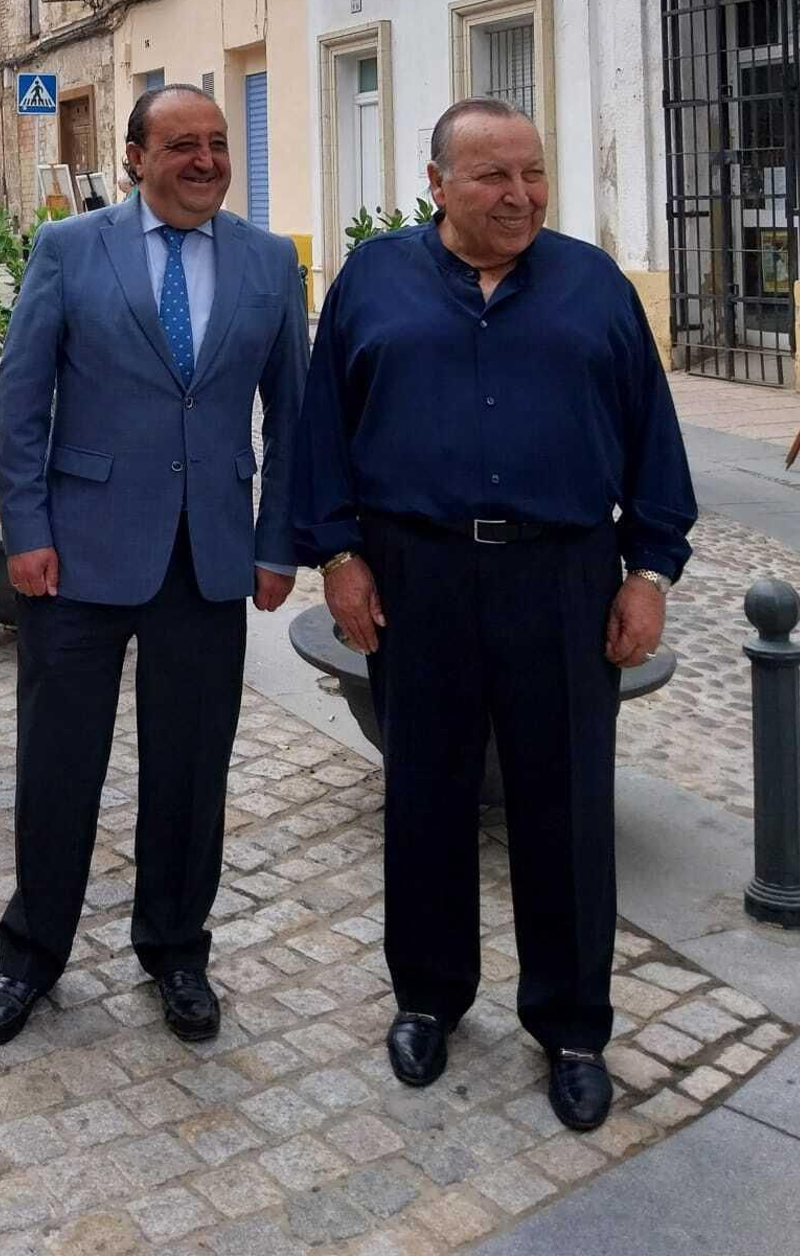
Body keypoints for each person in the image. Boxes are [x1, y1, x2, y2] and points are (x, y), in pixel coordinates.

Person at [295, 97, 695, 1134]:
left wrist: (649, 572)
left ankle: (572, 1026)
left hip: (562, 579)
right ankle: (429, 999)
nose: (520, 196)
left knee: (567, 806)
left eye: (533, 173)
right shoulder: (372, 281)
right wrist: (338, 556)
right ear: (437, 185)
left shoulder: (594, 287)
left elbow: (652, 437)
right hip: (414, 576)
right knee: (424, 793)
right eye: (493, 177)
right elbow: (321, 431)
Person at [0, 84, 309, 1047]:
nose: (205, 160)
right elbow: (22, 398)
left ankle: (177, 951)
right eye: (181, 144)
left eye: (217, 143)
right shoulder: (70, 248)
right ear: (134, 158)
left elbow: (296, 415)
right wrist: (25, 529)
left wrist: (277, 540)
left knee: (192, 769)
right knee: (58, 764)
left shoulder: (268, 262)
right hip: (76, 555)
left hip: (209, 556)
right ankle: (30, 955)